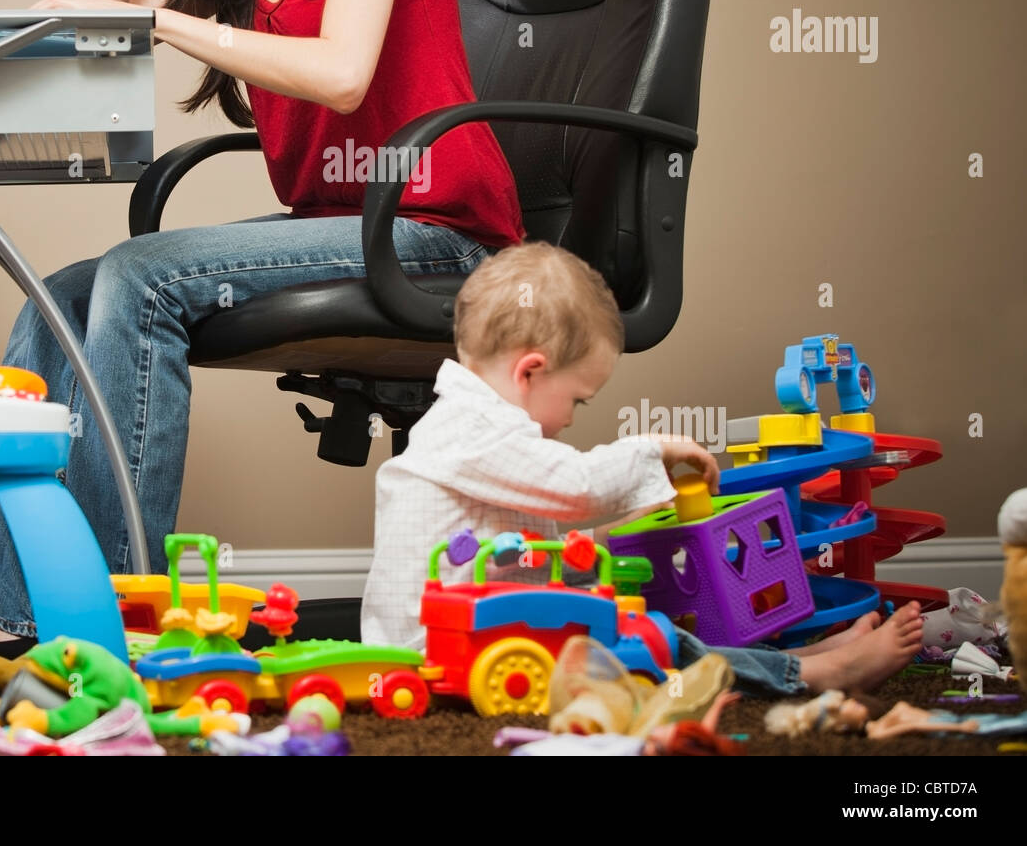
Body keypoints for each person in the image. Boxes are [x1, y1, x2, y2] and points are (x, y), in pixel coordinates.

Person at [0, 0, 526, 644]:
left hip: (432, 231)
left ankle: (105, 623)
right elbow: (89, 34)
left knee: (136, 275)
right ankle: (8, 621)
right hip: (338, 226)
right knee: (60, 292)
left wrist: (174, 24)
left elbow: (343, 71)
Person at [360, 240, 926, 697]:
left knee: (646, 629)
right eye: (578, 399)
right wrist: (654, 450)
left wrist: (626, 525)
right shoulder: (471, 431)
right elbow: (577, 489)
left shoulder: (471, 430)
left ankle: (794, 658)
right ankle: (809, 676)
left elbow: (536, 546)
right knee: (645, 647)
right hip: (442, 655)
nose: (571, 422)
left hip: (471, 632)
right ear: (530, 372)